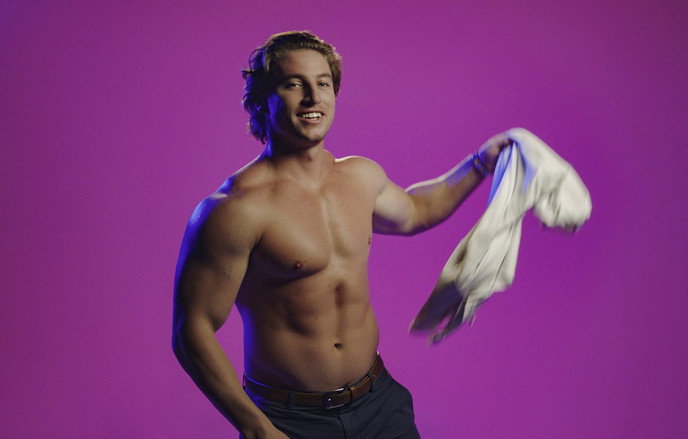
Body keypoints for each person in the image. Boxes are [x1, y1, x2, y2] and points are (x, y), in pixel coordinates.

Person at [172, 31, 511, 439]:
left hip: (379, 403)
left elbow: (417, 211)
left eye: (323, 83)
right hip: (290, 421)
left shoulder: (359, 177)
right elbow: (192, 329)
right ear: (262, 100)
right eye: (293, 84)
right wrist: (256, 427)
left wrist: (481, 162)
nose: (313, 98)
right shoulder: (235, 208)